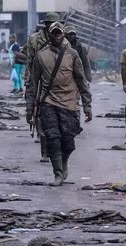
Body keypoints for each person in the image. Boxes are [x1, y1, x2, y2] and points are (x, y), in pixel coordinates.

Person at [27, 22, 92, 187]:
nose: (56, 35)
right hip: (48, 102)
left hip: (69, 104)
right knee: (52, 138)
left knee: (68, 142)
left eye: (59, 33)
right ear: (49, 35)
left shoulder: (73, 55)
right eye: (53, 33)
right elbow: (34, 84)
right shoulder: (40, 57)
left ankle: (64, 164)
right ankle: (57, 173)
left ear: (63, 35)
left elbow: (81, 80)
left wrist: (87, 105)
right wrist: (31, 107)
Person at [23, 12, 69, 163]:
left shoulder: (64, 41)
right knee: (40, 116)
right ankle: (44, 151)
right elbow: (29, 61)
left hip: (58, 83)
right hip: (39, 81)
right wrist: (30, 82)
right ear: (46, 25)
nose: (54, 27)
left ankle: (56, 150)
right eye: (51, 24)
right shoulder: (34, 39)